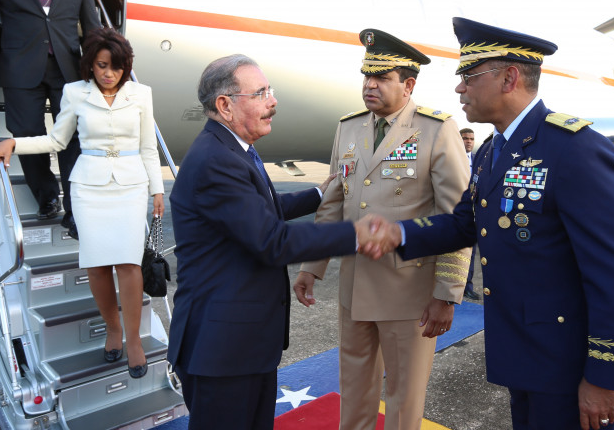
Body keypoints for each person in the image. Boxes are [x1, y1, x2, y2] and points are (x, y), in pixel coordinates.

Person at [366, 17, 614, 430]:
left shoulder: (574, 149)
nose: (459, 88)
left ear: (509, 78)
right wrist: (399, 233)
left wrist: (605, 377)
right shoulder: (491, 151)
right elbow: (465, 225)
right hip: (522, 354)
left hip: (566, 367)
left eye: (469, 77)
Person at [167, 54, 391, 430]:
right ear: (225, 105)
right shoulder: (216, 161)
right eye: (260, 93)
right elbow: (271, 240)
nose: (272, 102)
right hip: (222, 349)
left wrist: (316, 196)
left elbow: (259, 210)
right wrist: (355, 234)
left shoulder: (232, 149)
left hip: (244, 342)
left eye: (270, 91)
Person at [293, 29, 471, 430]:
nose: (369, 85)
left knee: (403, 401)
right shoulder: (349, 127)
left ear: (408, 85)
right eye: (366, 76)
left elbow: (458, 219)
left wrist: (446, 294)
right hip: (355, 287)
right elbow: (333, 203)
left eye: (381, 77)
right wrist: (311, 267)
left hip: (409, 293)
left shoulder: (436, 129)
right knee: (353, 390)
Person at [0, 28, 164, 379]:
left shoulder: (141, 94)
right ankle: (112, 328)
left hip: (131, 186)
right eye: (101, 65)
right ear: (91, 64)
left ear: (126, 66)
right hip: (88, 187)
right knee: (97, 266)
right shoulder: (75, 92)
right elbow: (57, 140)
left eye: (116, 66)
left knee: (129, 265)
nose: (108, 73)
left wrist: (157, 190)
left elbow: (147, 147)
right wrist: (15, 144)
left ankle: (133, 340)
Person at [0, 0, 100, 237]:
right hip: (19, 66)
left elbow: (92, 26)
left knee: (74, 137)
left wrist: (102, 62)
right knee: (26, 132)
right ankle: (46, 195)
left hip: (68, 68)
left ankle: (76, 210)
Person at [460, 128, 480, 300]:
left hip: (473, 211)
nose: (469, 141)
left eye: (471, 139)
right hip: (452, 209)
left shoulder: (479, 158)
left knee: (470, 250)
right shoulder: (449, 158)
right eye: (465, 138)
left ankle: (467, 286)